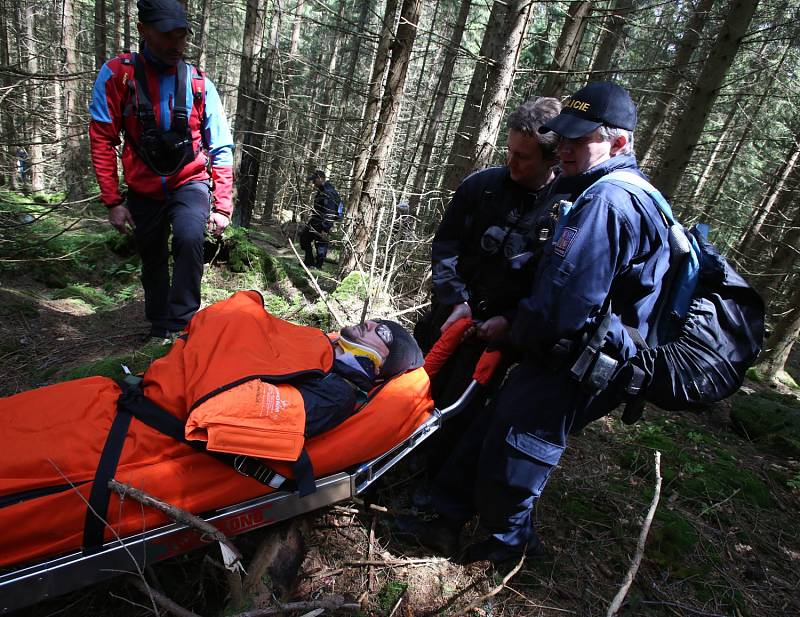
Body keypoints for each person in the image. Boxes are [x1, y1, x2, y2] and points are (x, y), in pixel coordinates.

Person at [410, 82, 672, 565]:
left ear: (618, 143)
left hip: (573, 361)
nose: (568, 149)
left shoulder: (608, 203)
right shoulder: (592, 192)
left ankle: (504, 554)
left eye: (580, 140)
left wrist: (512, 329)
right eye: (564, 138)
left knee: (517, 454)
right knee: (491, 432)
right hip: (549, 350)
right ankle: (443, 521)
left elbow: (565, 304)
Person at [409, 98, 562, 494]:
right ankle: (388, 452)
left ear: (551, 159)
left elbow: (550, 285)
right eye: (509, 151)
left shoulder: (562, 212)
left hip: (495, 337)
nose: (512, 162)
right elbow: (445, 246)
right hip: (446, 316)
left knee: (460, 409)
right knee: (412, 385)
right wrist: (453, 298)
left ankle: (430, 481)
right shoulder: (481, 187)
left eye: (523, 157)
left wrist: (509, 321)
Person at [89, 0, 234, 340]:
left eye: (182, 35)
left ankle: (183, 325)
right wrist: (113, 201)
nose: (176, 44)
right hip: (143, 187)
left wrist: (223, 204)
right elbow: (102, 138)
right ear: (143, 30)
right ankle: (158, 325)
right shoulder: (117, 76)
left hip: (190, 181)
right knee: (151, 252)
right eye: (167, 35)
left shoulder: (199, 82)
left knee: (188, 237)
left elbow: (221, 145)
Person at [300, 170, 341, 268]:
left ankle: (317, 267)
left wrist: (325, 229)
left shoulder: (329, 192)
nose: (313, 183)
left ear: (320, 178)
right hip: (315, 220)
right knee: (304, 238)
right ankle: (309, 262)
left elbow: (330, 212)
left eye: (314, 180)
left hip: (323, 223)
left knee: (320, 245)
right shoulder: (322, 190)